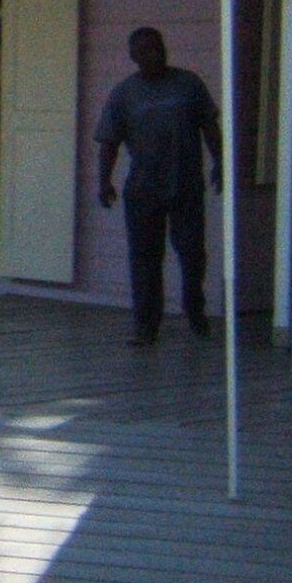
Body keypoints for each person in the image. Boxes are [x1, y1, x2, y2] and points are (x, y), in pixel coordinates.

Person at [95, 24, 224, 345]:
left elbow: (209, 126)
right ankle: (146, 325)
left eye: (159, 47)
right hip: (143, 189)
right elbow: (109, 141)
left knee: (192, 252)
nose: (155, 54)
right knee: (145, 257)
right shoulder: (125, 93)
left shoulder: (188, 85)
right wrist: (104, 180)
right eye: (147, 50)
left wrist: (221, 162)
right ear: (134, 57)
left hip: (185, 184)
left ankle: (194, 308)